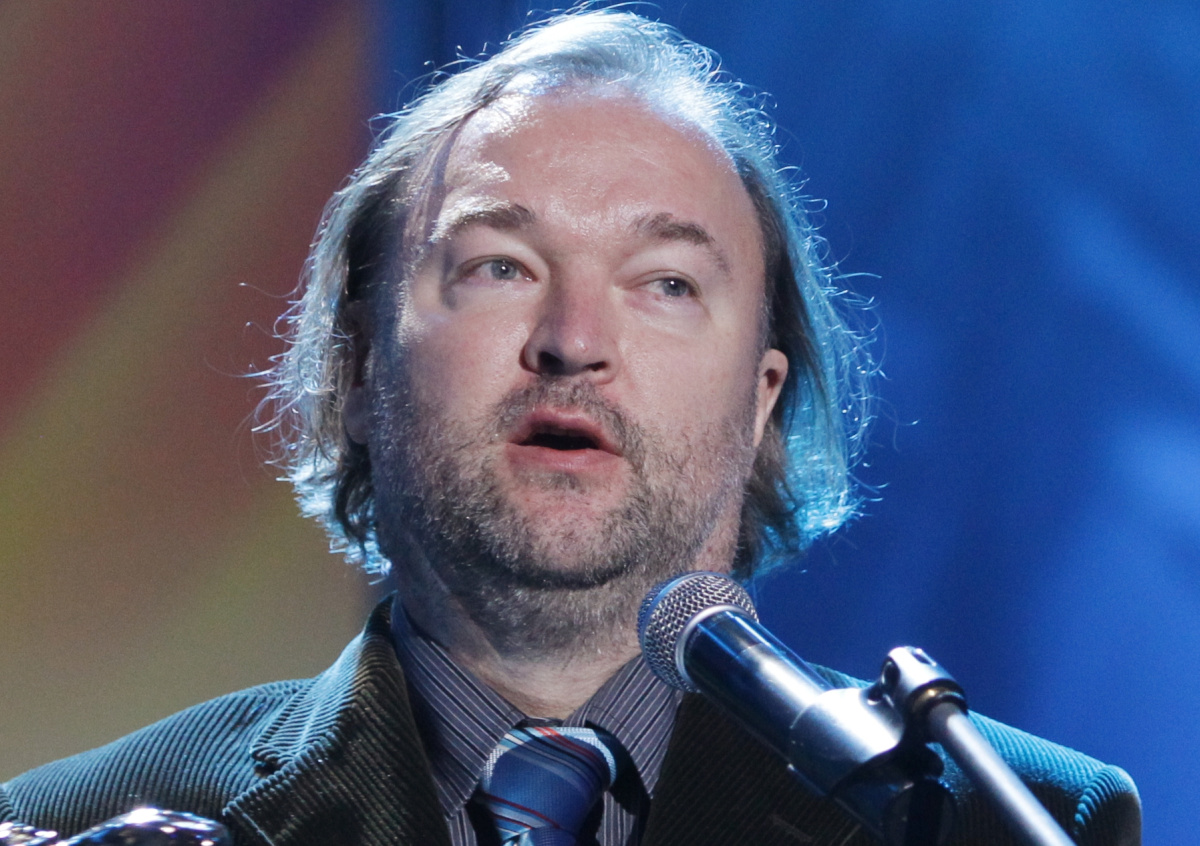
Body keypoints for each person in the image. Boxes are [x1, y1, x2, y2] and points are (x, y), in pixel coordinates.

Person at [1, 9, 1139, 846]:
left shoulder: (1008, 821)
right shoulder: (78, 824)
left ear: (762, 404)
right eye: (500, 266)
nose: (574, 340)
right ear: (356, 369)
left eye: (666, 284)